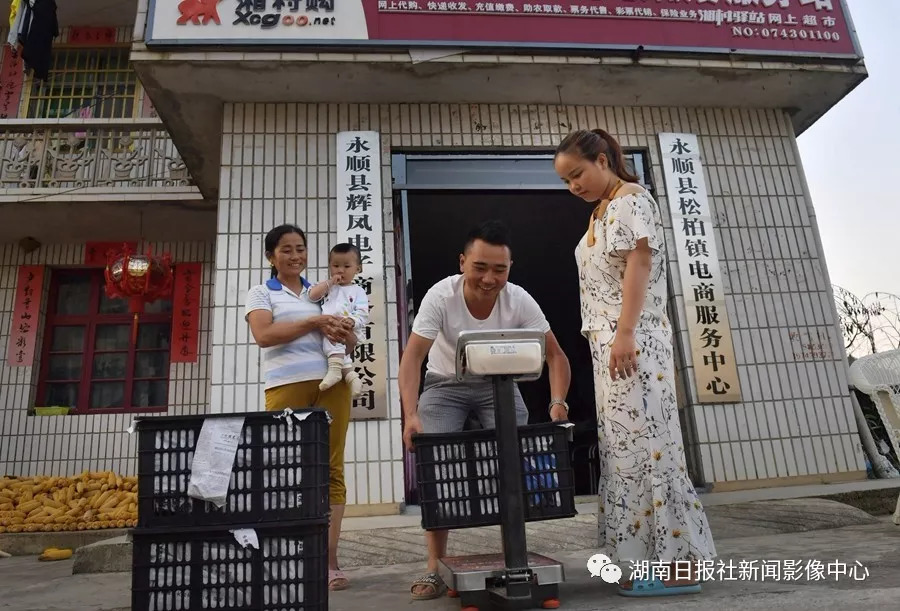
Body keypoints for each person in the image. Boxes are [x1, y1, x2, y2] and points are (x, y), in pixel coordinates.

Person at [554, 129, 717, 596]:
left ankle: (679, 567)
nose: (574, 186)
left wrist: (625, 333)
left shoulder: (631, 199)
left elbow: (639, 264)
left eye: (577, 174)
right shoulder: (602, 210)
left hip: (633, 340)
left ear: (603, 160)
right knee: (626, 453)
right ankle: (643, 560)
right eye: (566, 181)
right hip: (612, 344)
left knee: (651, 449)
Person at [399, 219, 572, 601]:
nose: (489, 279)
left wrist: (558, 403)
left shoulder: (520, 300)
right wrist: (411, 415)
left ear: (510, 268)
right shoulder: (440, 297)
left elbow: (556, 356)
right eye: (480, 267)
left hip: (501, 384)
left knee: (515, 460)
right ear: (462, 262)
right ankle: (434, 567)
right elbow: (412, 359)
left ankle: (516, 558)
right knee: (436, 464)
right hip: (444, 384)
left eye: (499, 269)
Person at [245, 224, 357, 592]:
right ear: (271, 256)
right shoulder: (261, 292)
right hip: (285, 386)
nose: (295, 256)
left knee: (332, 468)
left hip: (333, 384)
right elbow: (264, 335)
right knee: (284, 468)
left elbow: (350, 343)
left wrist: (346, 331)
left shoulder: (325, 292)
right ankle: (286, 560)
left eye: (300, 249)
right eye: (286, 249)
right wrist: (313, 320)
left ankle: (329, 562)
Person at [308, 243, 370, 398]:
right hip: (329, 325)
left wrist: (352, 320)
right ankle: (352, 378)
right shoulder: (327, 287)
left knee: (334, 341)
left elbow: (363, 312)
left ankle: (335, 371)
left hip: (348, 328)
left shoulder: (358, 291)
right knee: (341, 354)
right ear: (329, 267)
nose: (340, 270)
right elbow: (312, 295)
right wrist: (330, 283)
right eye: (336, 266)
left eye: (347, 266)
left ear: (358, 269)